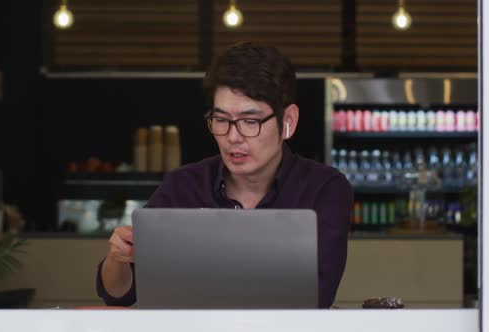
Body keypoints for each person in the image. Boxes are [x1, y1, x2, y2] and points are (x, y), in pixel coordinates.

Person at [96, 42, 353, 309]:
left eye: (250, 121)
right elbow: (118, 294)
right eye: (221, 120)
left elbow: (318, 296)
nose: (233, 137)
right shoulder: (183, 185)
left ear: (288, 119)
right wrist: (118, 258)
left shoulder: (324, 189)